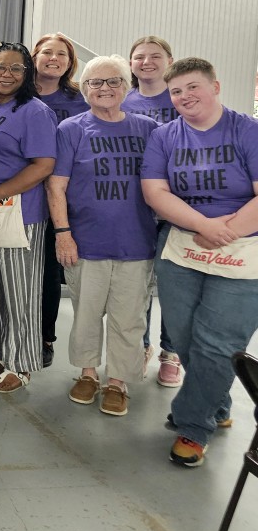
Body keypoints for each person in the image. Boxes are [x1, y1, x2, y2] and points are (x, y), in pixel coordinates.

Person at [141, 57, 258, 467]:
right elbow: (156, 192)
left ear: (215, 86)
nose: (185, 96)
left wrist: (225, 232)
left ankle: (193, 427)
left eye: (193, 87)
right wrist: (202, 225)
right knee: (186, 336)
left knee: (218, 342)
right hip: (182, 248)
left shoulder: (248, 130)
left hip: (242, 253)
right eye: (176, 91)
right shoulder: (165, 137)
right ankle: (216, 403)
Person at [45, 55, 158, 417]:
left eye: (113, 82)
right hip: (85, 240)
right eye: (95, 83)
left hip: (136, 241)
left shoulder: (149, 129)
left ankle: (118, 381)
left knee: (129, 317)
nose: (104, 89)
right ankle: (88, 373)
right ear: (86, 89)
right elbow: (56, 187)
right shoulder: (71, 130)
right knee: (86, 313)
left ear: (127, 87)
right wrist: (63, 233)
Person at [0, 42, 58, 393]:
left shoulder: (34, 111)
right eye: (0, 67)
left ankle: (21, 364)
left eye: (16, 68)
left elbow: (44, 165)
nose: (6, 74)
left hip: (18, 212)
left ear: (27, 74)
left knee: (19, 291)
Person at [122, 35, 183, 386]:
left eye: (155, 56)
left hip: (176, 204)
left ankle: (171, 353)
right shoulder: (124, 98)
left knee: (172, 282)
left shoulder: (178, 97)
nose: (146, 62)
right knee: (138, 283)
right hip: (134, 204)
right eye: (139, 57)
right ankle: (140, 345)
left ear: (169, 60)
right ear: (130, 64)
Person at [32, 33, 91, 369]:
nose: (53, 59)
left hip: (59, 200)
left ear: (70, 63)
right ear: (35, 56)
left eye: (62, 54)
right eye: (47, 52)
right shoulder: (16, 94)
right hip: (17, 197)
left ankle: (44, 337)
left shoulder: (79, 100)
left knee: (48, 273)